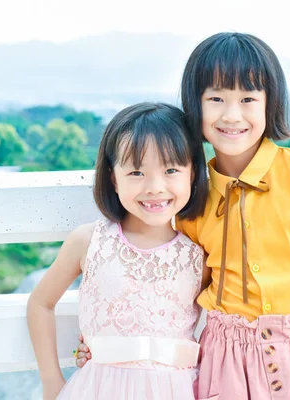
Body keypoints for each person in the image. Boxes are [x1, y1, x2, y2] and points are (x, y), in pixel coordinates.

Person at [77, 32, 290, 399]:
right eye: (216, 98)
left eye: (248, 99)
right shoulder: (191, 197)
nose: (232, 115)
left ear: (271, 104)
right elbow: (177, 286)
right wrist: (107, 342)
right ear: (195, 105)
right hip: (225, 360)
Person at [27, 102, 210, 400]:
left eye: (171, 170)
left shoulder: (199, 255)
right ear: (113, 178)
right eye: (136, 172)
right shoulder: (89, 241)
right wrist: (52, 382)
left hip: (177, 390)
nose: (154, 187)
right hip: (97, 388)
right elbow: (41, 303)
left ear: (192, 174)